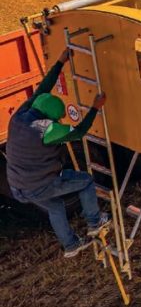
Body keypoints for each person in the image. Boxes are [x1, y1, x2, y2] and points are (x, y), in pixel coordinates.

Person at [5, 49, 109, 257]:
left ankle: (71, 245)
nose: (60, 121)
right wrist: (95, 108)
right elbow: (79, 132)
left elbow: (43, 88)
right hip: (40, 183)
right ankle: (95, 222)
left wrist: (61, 61)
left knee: (55, 207)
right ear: (50, 117)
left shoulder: (21, 114)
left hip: (18, 185)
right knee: (86, 181)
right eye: (58, 118)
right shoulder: (47, 130)